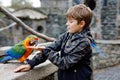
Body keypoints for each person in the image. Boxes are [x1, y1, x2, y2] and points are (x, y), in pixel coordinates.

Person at [14, 4, 94, 80]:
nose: (67, 24)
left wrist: (46, 51)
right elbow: (51, 47)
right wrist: (31, 63)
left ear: (81, 24)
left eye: (71, 21)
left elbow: (65, 63)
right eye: (67, 21)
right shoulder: (67, 35)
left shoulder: (84, 42)